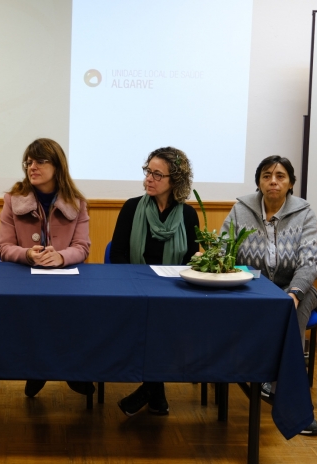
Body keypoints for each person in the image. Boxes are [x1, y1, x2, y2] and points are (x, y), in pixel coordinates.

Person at [221, 155, 317, 436]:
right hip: (251, 288)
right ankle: (251, 374)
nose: (273, 181)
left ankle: (291, 403)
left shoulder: (304, 213)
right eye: (266, 176)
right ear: (259, 182)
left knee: (290, 310)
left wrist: (294, 292)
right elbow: (223, 248)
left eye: (280, 176)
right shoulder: (240, 210)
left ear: (290, 183)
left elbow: (310, 262)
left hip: (296, 287)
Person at [0, 137, 93, 398]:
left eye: (40, 161)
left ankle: (71, 369)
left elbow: (82, 247)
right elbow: (3, 247)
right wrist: (28, 254)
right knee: (34, 312)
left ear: (57, 166)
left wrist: (60, 257)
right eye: (28, 162)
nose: (32, 167)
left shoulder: (77, 202)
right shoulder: (13, 200)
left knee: (76, 312)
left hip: (65, 278)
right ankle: (37, 369)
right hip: (24, 278)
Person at [110, 146, 199, 417]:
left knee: (163, 317)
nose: (149, 178)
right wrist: (137, 286)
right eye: (147, 171)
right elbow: (117, 255)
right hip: (134, 289)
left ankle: (151, 392)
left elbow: (190, 261)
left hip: (174, 292)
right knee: (151, 318)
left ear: (175, 180)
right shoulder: (131, 208)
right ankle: (155, 393)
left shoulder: (188, 216)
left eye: (157, 174)